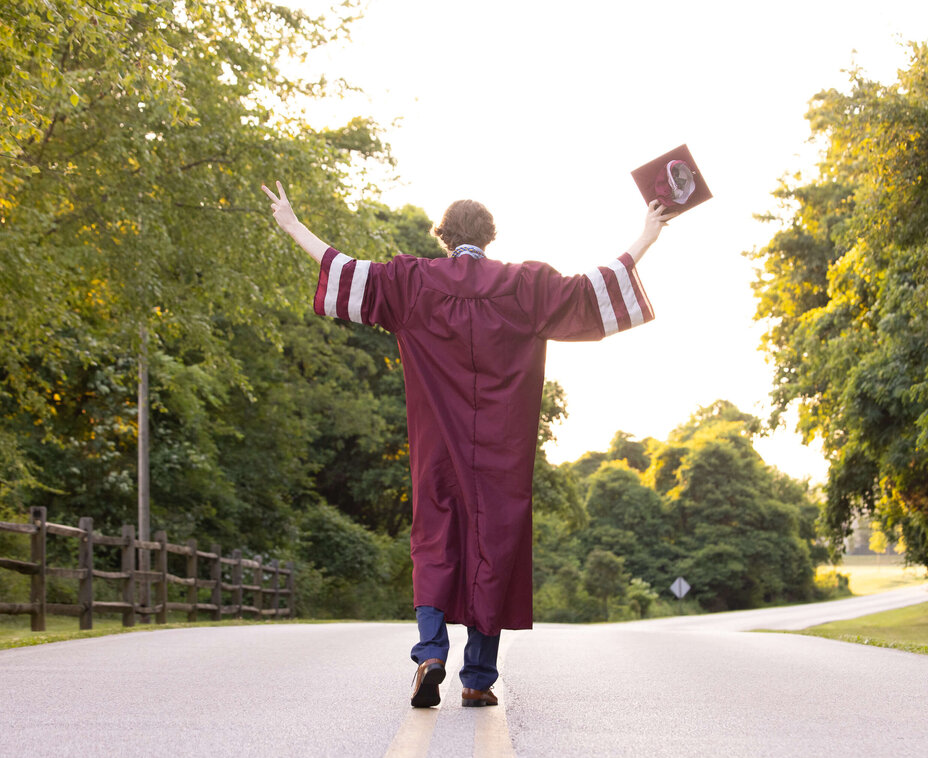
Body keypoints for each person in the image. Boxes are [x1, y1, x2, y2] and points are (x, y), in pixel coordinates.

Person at [261, 182, 675, 707]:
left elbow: (347, 270)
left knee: (435, 540)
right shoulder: (525, 285)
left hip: (437, 445)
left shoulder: (412, 282)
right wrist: (647, 235)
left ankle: (431, 650)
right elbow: (592, 288)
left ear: (444, 237)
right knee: (493, 545)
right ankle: (477, 679)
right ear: (490, 238)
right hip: (503, 450)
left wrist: (293, 224)